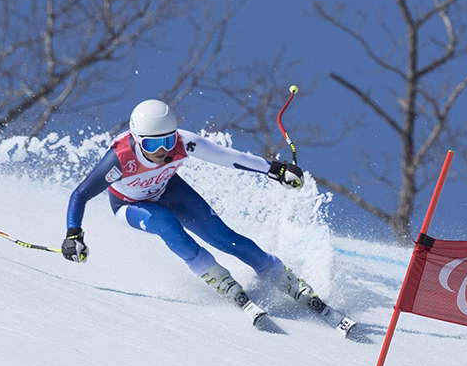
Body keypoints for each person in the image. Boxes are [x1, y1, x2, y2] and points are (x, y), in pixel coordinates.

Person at [61, 98, 332, 324]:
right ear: (137, 140)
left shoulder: (183, 142)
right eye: (153, 145)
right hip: (130, 206)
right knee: (167, 225)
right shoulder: (120, 159)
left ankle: (283, 277)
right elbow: (80, 194)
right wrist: (74, 234)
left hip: (169, 191)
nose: (163, 151)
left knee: (223, 236)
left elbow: (230, 158)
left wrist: (275, 169)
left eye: (168, 141)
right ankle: (218, 278)